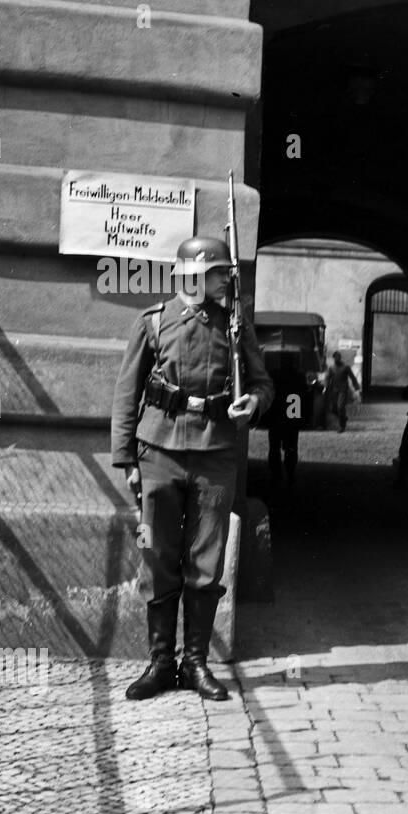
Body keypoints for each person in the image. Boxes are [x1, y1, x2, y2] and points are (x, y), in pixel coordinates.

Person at [110, 235, 274, 701]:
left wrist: (253, 404)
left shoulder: (237, 328)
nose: (228, 279)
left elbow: (264, 385)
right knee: (158, 555)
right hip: (158, 451)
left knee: (206, 559)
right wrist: (127, 458)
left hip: (216, 453)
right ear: (195, 274)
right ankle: (160, 664)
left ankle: (196, 664)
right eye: (221, 271)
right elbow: (128, 393)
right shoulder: (154, 322)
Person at [266, 352, 306, 485]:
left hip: (277, 417)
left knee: (275, 448)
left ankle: (276, 474)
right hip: (292, 417)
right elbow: (303, 397)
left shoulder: (273, 375)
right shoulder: (299, 376)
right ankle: (289, 473)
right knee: (291, 447)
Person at [325, 350, 360, 432]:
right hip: (334, 390)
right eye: (335, 357)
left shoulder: (346, 367)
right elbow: (327, 378)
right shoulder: (331, 368)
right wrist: (326, 387)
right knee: (333, 409)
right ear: (333, 358)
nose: (337, 358)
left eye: (338, 356)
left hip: (343, 390)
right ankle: (343, 417)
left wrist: (356, 387)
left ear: (340, 357)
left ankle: (342, 426)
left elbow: (352, 377)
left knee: (340, 407)